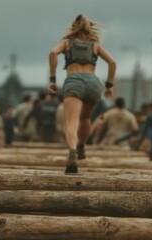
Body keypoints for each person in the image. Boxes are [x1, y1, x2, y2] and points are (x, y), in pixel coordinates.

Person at [48, 14, 116, 174]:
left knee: (71, 123)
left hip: (74, 81)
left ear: (73, 27)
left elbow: (52, 53)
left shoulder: (67, 44)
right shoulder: (95, 45)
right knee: (85, 118)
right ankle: (82, 146)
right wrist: (109, 85)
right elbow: (113, 62)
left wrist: (52, 78)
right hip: (94, 83)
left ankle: (72, 153)